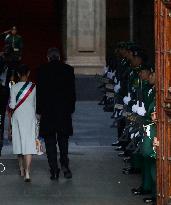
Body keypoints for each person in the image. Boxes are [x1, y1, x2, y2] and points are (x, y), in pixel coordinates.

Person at [36, 48, 76, 180]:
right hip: (63, 112)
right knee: (63, 142)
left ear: (48, 57)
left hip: (48, 112)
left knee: (50, 142)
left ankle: (53, 169)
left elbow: (39, 94)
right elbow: (72, 94)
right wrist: (70, 109)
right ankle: (65, 166)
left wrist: (39, 111)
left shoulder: (42, 70)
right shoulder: (68, 70)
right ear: (59, 58)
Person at [9, 65, 37, 182]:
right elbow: (35, 105)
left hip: (18, 116)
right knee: (29, 143)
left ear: (18, 74)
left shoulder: (14, 87)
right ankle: (27, 173)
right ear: (28, 73)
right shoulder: (34, 87)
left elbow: (12, 105)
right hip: (30, 116)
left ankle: (21, 168)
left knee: (19, 141)